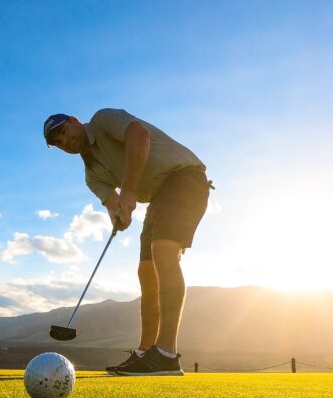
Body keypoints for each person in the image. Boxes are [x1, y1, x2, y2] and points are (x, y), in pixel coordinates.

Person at [44, 109, 212, 376]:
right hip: (159, 198)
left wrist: (129, 190)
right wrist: (118, 215)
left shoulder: (102, 120)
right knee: (146, 271)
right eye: (59, 143)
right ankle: (146, 352)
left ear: (75, 121)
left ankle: (167, 354)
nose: (65, 141)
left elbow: (139, 134)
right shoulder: (92, 174)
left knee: (163, 252)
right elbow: (113, 205)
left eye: (64, 132)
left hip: (184, 177)